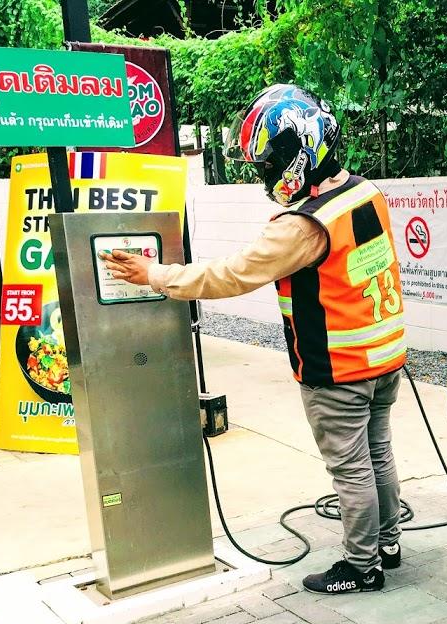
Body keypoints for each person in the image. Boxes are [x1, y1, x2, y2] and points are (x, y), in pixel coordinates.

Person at [101, 84, 406, 595]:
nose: (268, 176)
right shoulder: (364, 191)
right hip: (384, 357)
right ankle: (387, 545)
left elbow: (231, 275)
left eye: (271, 165)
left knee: (351, 469)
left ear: (300, 155)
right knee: (378, 455)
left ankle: (361, 567)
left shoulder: (304, 225)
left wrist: (156, 275)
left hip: (338, 369)